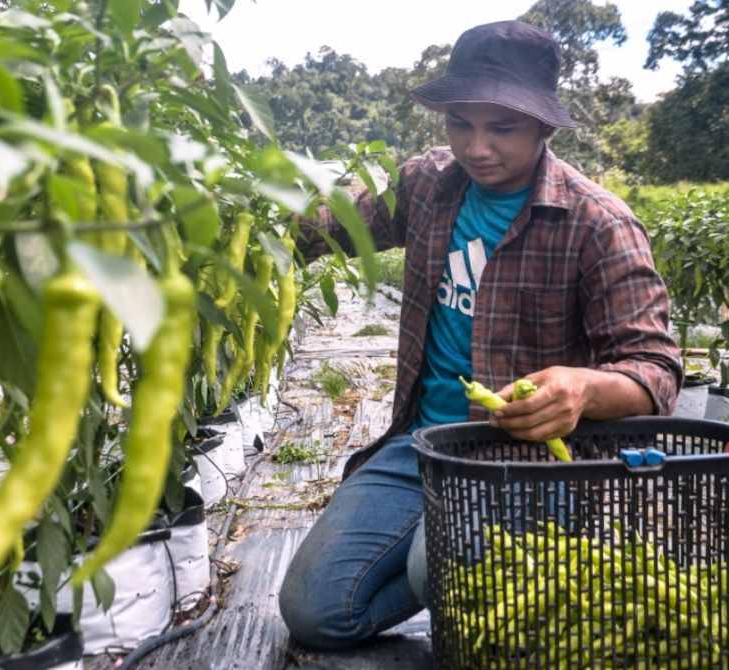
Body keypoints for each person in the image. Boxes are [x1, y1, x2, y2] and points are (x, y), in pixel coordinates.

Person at [278, 19, 683, 651]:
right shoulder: (426, 184)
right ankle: (456, 569)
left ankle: (494, 568)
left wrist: (581, 388)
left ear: (543, 127)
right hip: (422, 442)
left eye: (502, 127)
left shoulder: (597, 223)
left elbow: (655, 369)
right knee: (313, 611)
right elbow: (328, 228)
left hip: (524, 461)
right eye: (459, 123)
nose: (476, 146)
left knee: (440, 574)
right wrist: (233, 224)